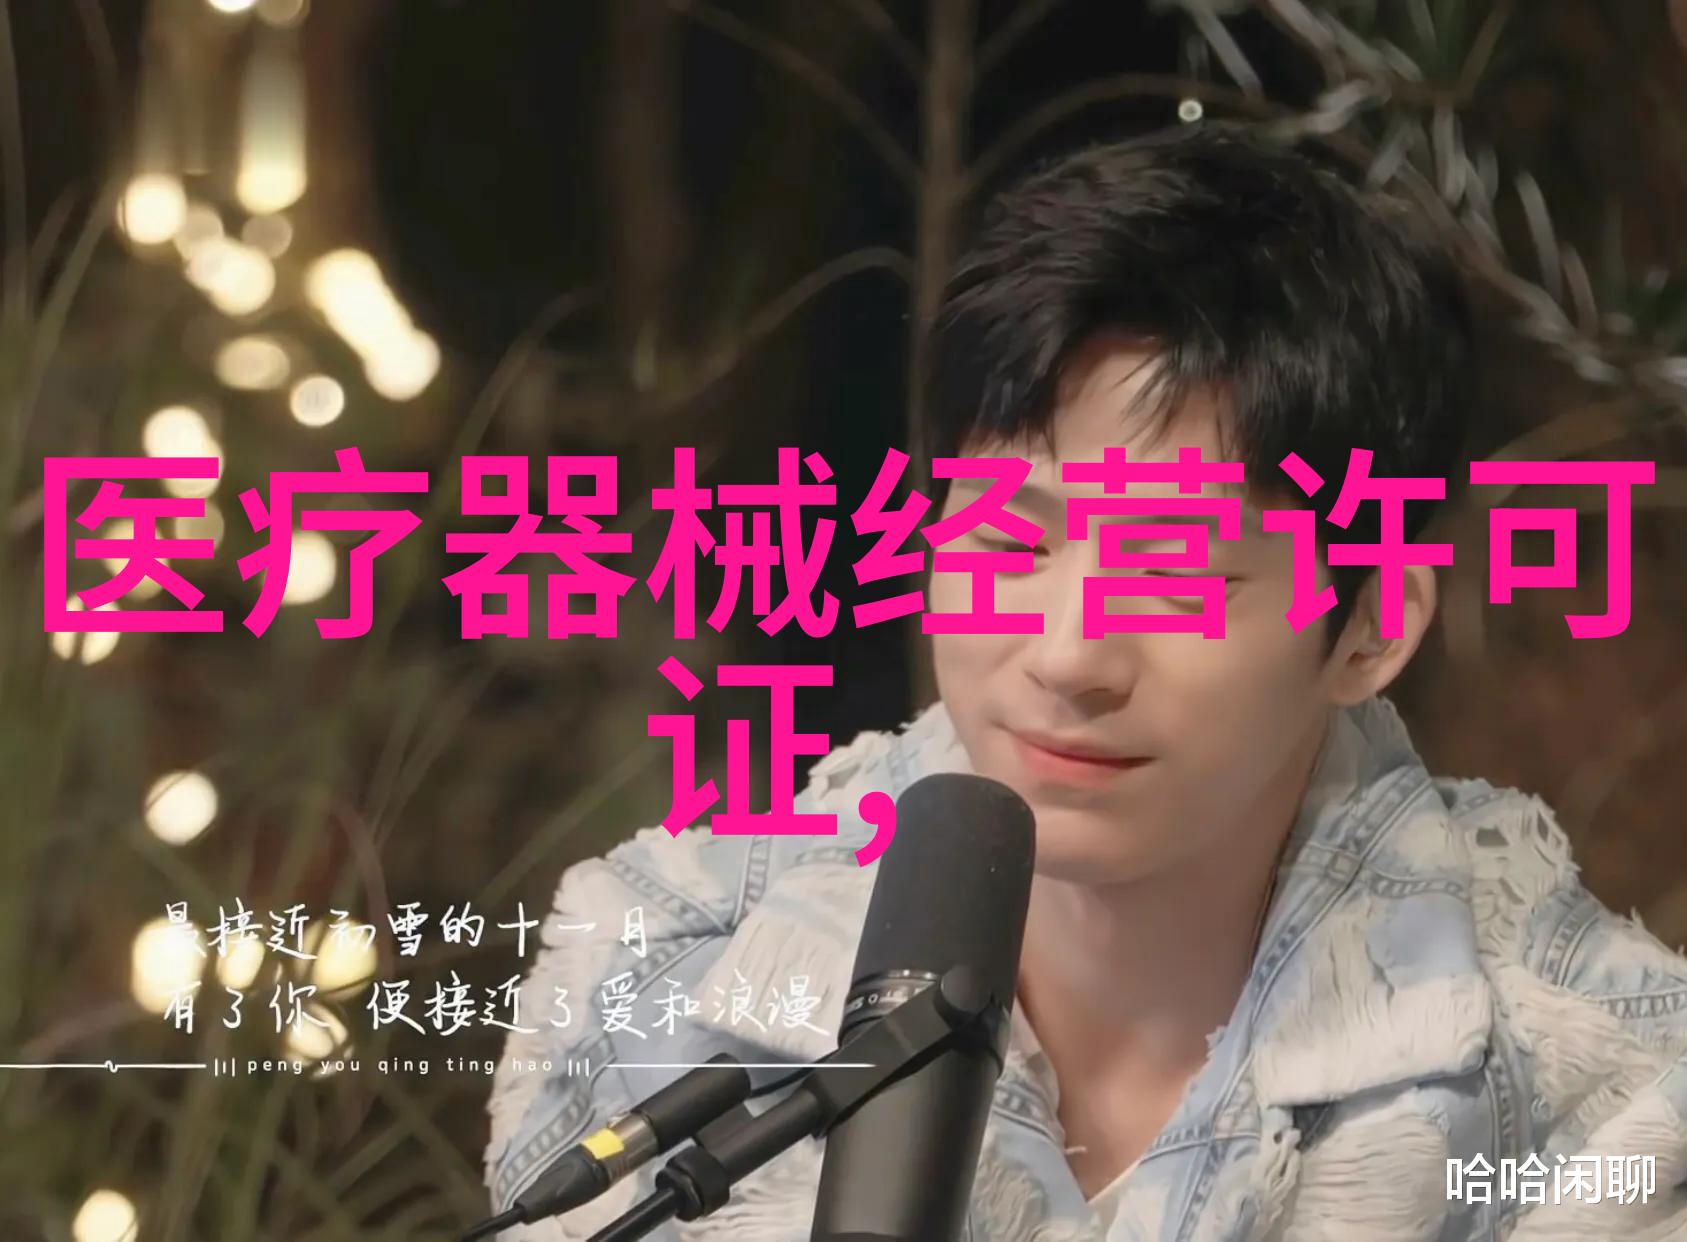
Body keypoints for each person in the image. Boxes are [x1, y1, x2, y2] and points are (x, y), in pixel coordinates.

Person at [482, 125, 1687, 1240]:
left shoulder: (1594, 1088)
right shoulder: (656, 968)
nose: (1066, 656)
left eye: (1174, 574)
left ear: (1370, 625)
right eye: (1009, 542)